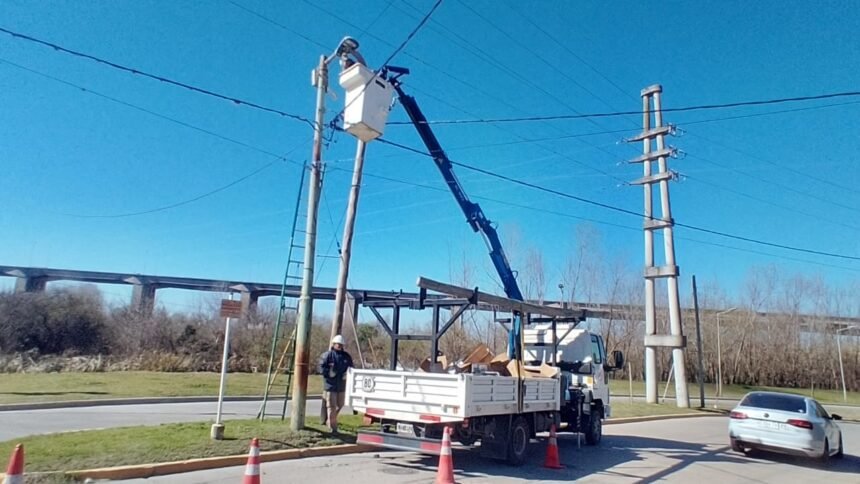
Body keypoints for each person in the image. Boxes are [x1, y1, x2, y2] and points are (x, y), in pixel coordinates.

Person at [318, 334, 353, 433]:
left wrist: (347, 374)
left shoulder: (346, 356)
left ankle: (331, 420)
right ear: (333, 344)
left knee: (340, 405)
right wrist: (328, 373)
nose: (339, 346)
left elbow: (351, 367)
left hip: (341, 386)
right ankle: (332, 427)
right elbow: (320, 368)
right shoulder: (327, 355)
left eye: (341, 344)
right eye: (337, 344)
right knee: (331, 407)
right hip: (330, 386)